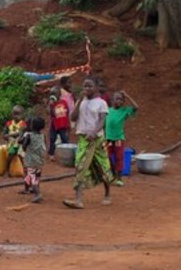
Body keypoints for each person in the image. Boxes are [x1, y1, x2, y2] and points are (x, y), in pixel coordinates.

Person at [65, 76, 113, 209]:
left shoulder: (101, 103)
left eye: (89, 86)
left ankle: (108, 194)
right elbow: (73, 117)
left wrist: (93, 132)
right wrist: (79, 100)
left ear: (96, 88)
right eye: (85, 86)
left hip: (96, 140)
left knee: (103, 167)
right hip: (83, 139)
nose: (86, 88)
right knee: (80, 166)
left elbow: (102, 120)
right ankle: (78, 200)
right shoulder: (82, 101)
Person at [104, 90, 139, 183]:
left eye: (121, 100)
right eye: (117, 99)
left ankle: (119, 178)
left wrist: (127, 96)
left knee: (119, 158)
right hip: (108, 139)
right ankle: (112, 174)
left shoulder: (124, 111)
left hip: (119, 139)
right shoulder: (108, 110)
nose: (119, 101)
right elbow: (103, 123)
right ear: (112, 100)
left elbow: (136, 107)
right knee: (107, 157)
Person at [20, 116, 47, 203]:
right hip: (40, 160)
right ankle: (35, 192)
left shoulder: (29, 136)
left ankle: (38, 194)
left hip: (31, 160)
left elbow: (24, 147)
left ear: (32, 126)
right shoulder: (43, 136)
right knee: (37, 176)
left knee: (31, 177)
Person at [48, 88, 72, 154]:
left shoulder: (64, 102)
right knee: (52, 138)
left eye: (54, 93)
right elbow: (52, 114)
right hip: (54, 124)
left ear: (59, 94)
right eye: (51, 94)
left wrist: (68, 123)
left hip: (62, 124)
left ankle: (66, 152)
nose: (53, 95)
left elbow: (67, 113)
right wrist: (51, 105)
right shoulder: (51, 103)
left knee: (64, 138)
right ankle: (51, 153)